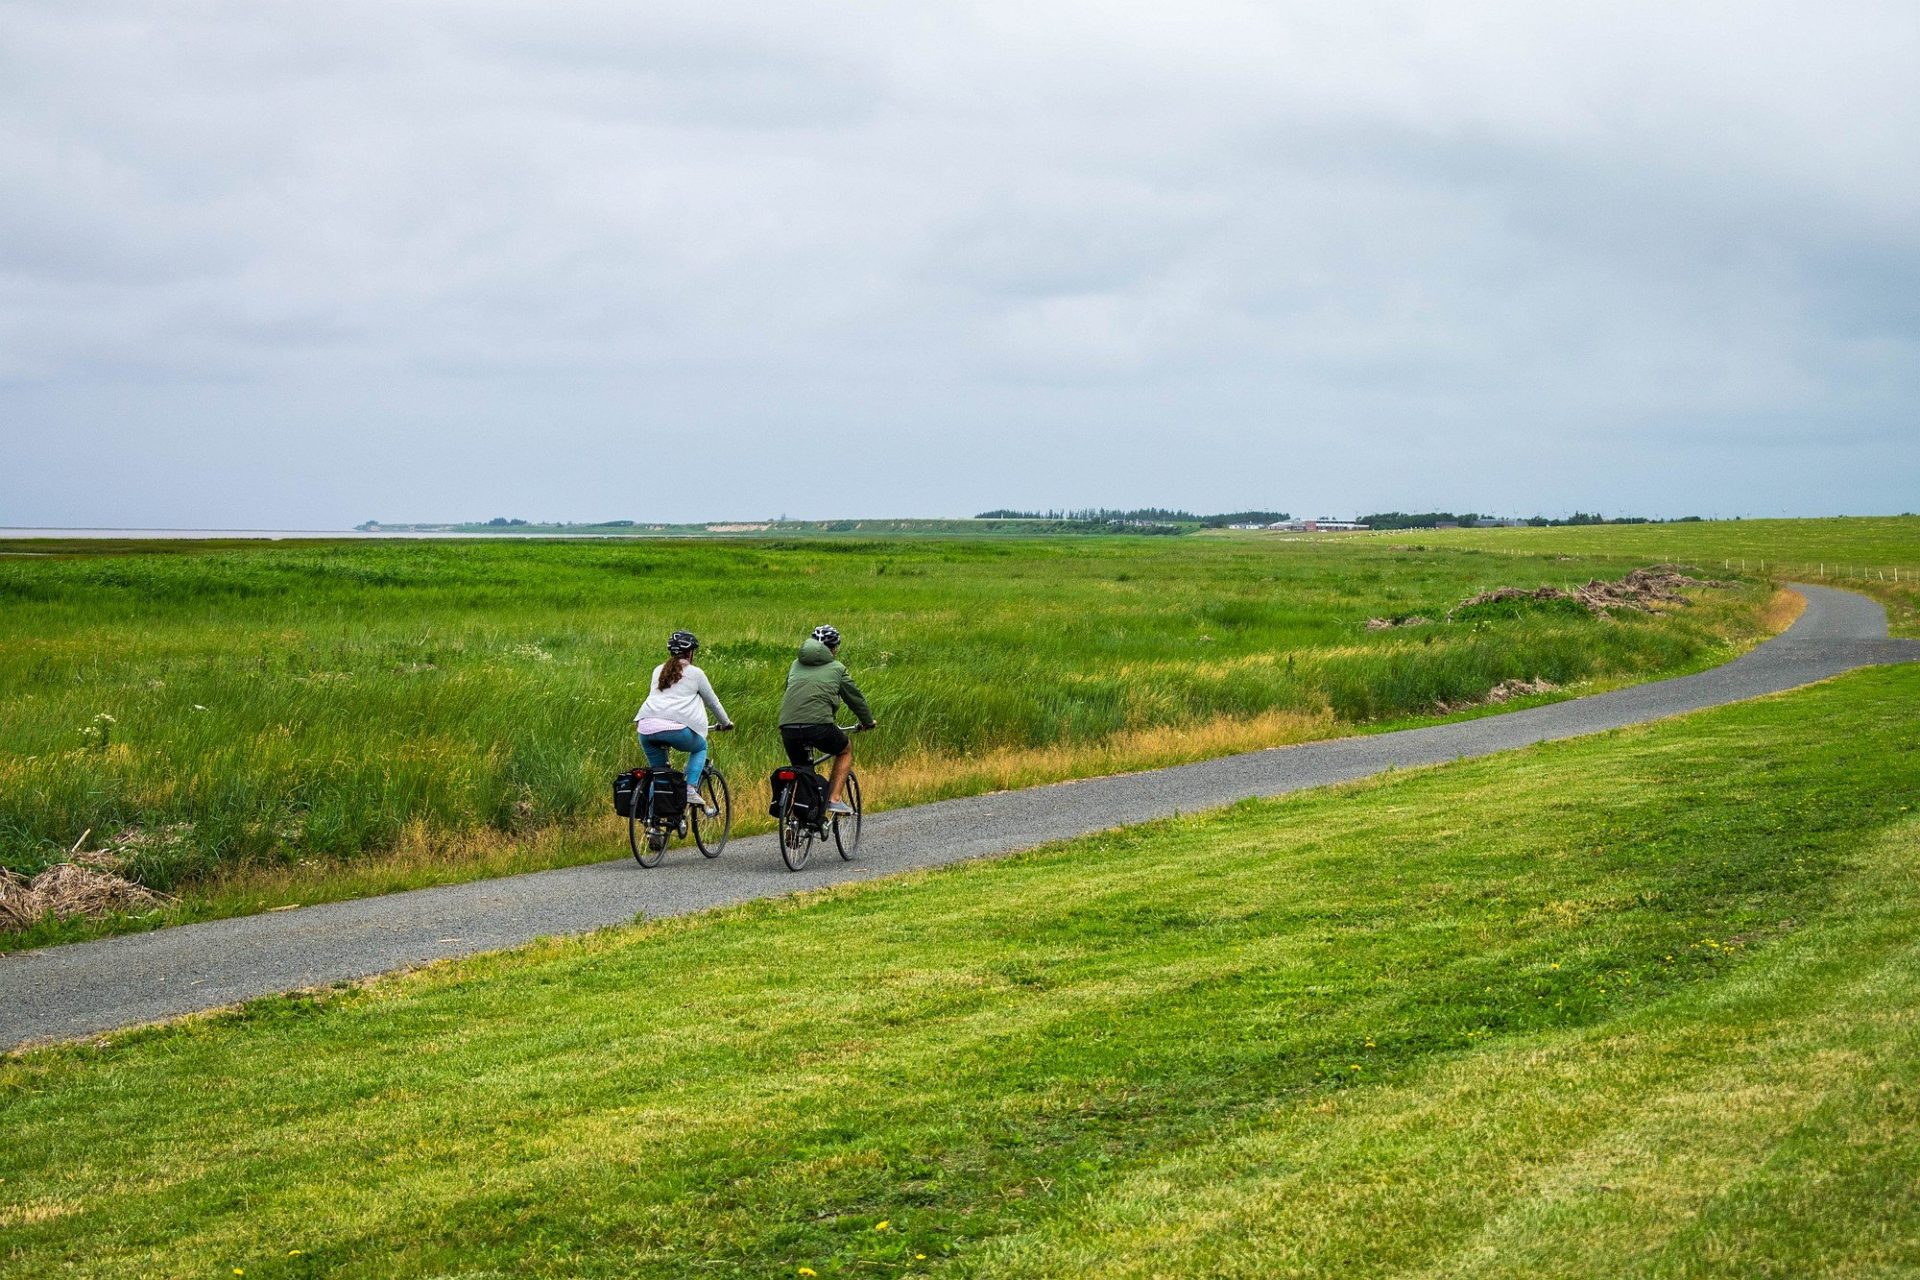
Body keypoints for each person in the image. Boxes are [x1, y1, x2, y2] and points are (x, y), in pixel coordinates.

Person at [633, 630, 733, 816]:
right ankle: (690, 789)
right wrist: (726, 722)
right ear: (690, 653)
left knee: (660, 774)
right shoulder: (696, 673)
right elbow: (713, 702)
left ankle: (653, 825)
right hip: (675, 730)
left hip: (645, 729)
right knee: (700, 747)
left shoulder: (658, 670)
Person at [778, 624, 875, 815]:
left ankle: (794, 824)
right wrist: (867, 721)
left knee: (802, 771)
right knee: (845, 750)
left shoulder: (795, 665)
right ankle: (834, 798)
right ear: (833, 648)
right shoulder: (837, 668)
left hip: (788, 726)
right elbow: (854, 698)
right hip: (819, 726)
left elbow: (790, 692)